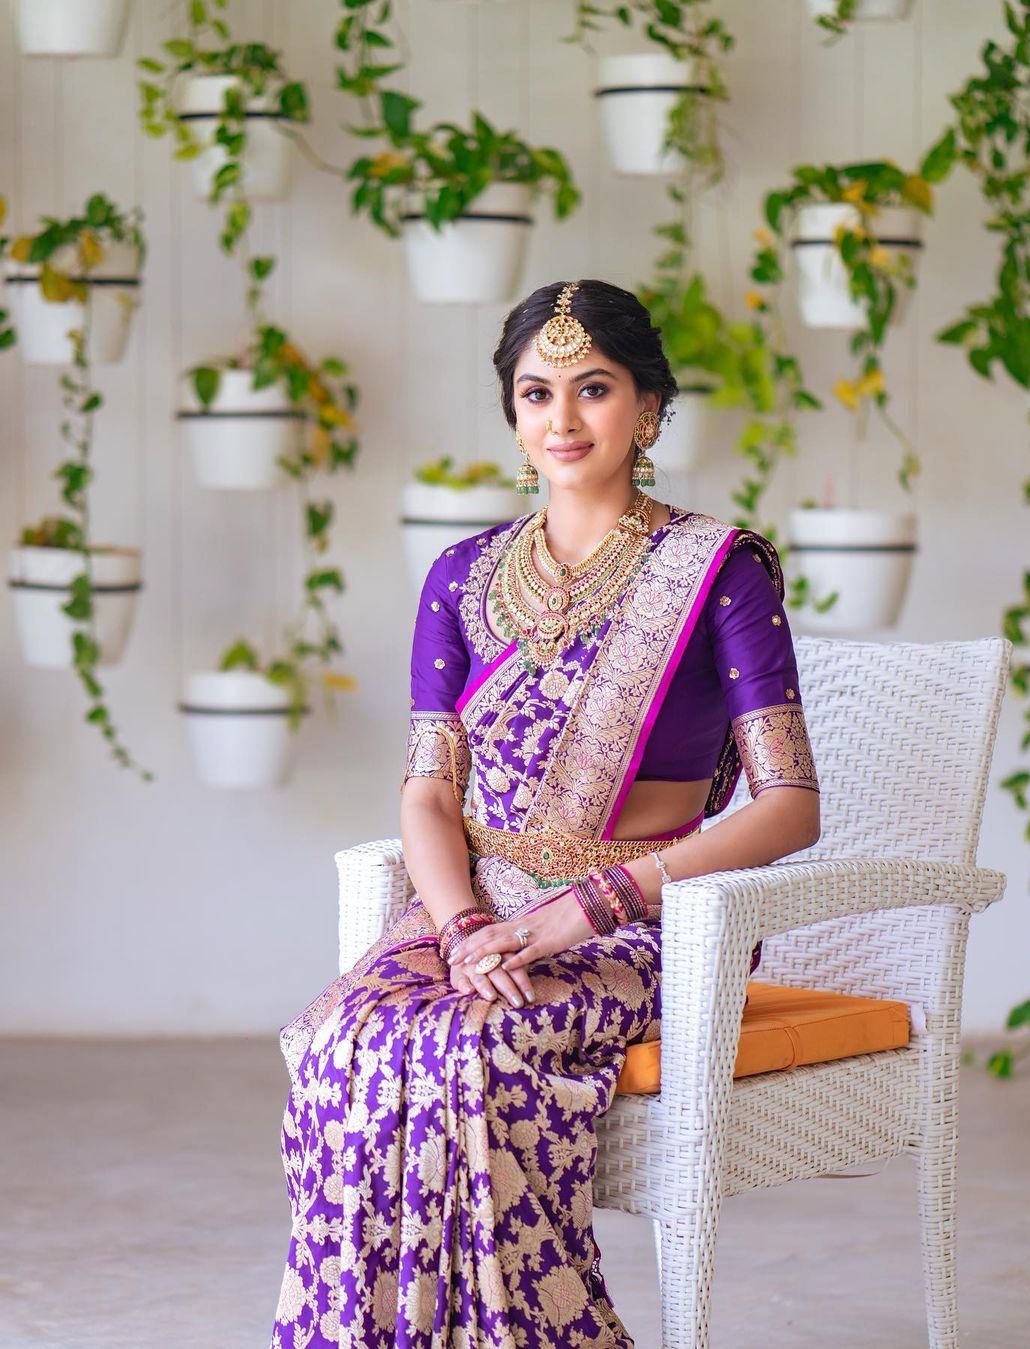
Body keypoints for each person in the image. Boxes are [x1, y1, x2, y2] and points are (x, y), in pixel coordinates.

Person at [271, 279, 821, 1348]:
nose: (562, 420)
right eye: (536, 392)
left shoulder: (719, 572)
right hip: (477, 915)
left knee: (469, 1049)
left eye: (595, 388)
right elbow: (429, 789)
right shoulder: (462, 573)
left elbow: (790, 806)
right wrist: (467, 923)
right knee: (343, 1038)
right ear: (512, 413)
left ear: (650, 409)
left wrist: (589, 907)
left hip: (644, 922)